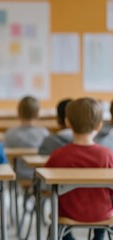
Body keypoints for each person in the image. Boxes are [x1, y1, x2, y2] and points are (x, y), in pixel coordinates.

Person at [45, 98, 113, 240]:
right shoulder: (107, 155)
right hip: (102, 213)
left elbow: (46, 183)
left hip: (67, 213)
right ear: (99, 126)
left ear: (67, 122)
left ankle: (68, 238)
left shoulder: (58, 155)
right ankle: (99, 236)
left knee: (56, 220)